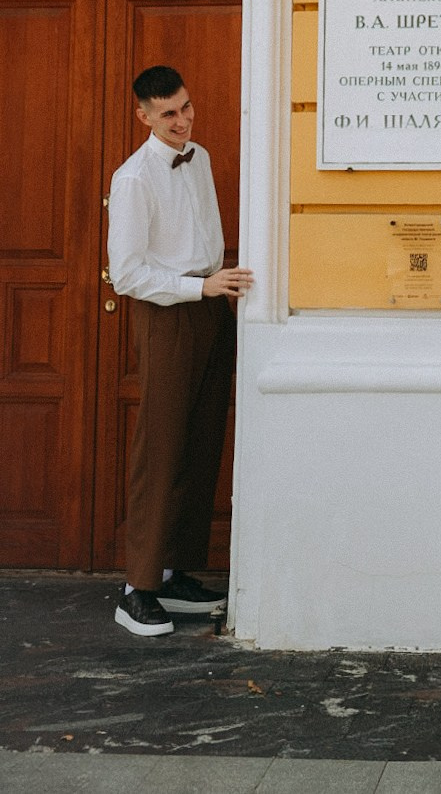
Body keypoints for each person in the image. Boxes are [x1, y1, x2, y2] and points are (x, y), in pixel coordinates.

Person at [107, 64, 254, 637]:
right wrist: (199, 287)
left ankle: (175, 574)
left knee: (201, 440)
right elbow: (127, 274)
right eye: (168, 113)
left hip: (209, 307)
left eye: (186, 107)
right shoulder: (134, 178)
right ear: (143, 116)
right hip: (168, 314)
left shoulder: (203, 157)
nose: (182, 120)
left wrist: (218, 288)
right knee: (161, 446)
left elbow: (207, 235)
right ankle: (137, 589)